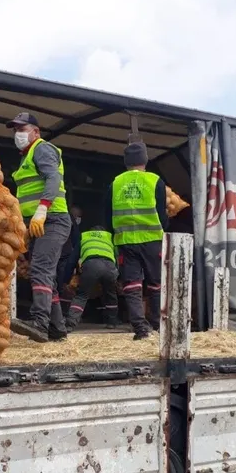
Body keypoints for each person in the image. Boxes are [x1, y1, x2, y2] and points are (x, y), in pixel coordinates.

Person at [7, 112, 71, 343]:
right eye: (15, 130)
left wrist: (43, 209)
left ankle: (39, 324)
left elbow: (53, 178)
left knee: (40, 271)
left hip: (52, 219)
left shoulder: (42, 149)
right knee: (47, 277)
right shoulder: (26, 157)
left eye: (22, 129)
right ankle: (57, 329)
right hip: (38, 223)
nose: (18, 134)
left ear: (36, 131)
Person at [105, 142, 168, 339]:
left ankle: (140, 328)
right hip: (152, 240)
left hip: (125, 241)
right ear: (145, 160)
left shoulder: (115, 183)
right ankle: (157, 325)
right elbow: (162, 213)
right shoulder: (155, 181)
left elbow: (107, 216)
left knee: (131, 285)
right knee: (156, 283)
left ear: (126, 162)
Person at [66, 225, 119, 332]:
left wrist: (66, 279)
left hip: (91, 265)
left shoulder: (85, 237)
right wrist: (118, 274)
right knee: (111, 294)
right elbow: (117, 257)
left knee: (82, 295)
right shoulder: (109, 238)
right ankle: (112, 323)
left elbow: (72, 260)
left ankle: (70, 324)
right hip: (110, 266)